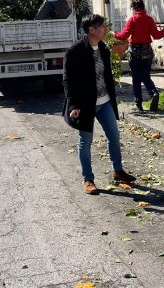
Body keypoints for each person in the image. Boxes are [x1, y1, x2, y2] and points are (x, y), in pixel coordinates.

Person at [63, 14, 136, 195]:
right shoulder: (75, 50)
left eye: (105, 25)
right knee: (85, 142)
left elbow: (106, 76)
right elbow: (68, 81)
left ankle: (117, 171)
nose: (105, 28)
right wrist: (74, 105)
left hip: (104, 102)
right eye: (102, 26)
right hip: (85, 105)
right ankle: (88, 179)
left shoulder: (103, 48)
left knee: (114, 136)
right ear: (91, 30)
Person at [113, 0, 164, 112]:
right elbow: (156, 35)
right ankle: (153, 93)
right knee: (146, 77)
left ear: (133, 8)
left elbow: (124, 36)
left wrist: (114, 34)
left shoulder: (132, 20)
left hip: (135, 52)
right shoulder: (149, 19)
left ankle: (138, 103)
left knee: (136, 78)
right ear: (144, 7)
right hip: (147, 52)